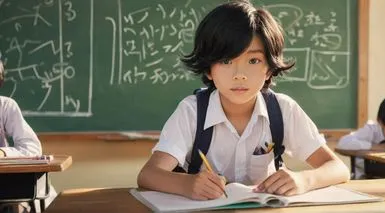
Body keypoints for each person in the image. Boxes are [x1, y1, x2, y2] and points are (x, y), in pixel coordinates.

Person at [137, 0, 350, 200]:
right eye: (226, 60)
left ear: (269, 69)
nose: (240, 74)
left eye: (254, 60)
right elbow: (148, 175)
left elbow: (338, 168)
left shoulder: (283, 109)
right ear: (209, 69)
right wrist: (186, 184)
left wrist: (304, 179)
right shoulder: (191, 112)